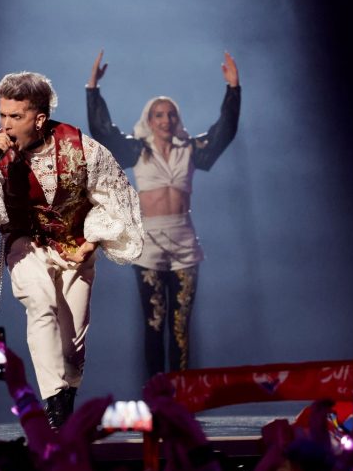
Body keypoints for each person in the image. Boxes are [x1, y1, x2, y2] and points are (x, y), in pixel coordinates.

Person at [0, 71, 143, 428]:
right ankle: (54, 406)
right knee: (40, 303)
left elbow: (114, 198)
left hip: (74, 247)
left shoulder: (83, 149)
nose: (6, 124)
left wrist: (90, 244)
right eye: (2, 114)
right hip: (26, 243)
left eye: (15, 116)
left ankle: (65, 401)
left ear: (38, 119)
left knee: (71, 347)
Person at [86, 51, 240, 379]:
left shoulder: (190, 150)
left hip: (184, 240)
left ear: (177, 119)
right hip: (150, 243)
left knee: (180, 326)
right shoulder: (137, 150)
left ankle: (182, 393)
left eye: (171, 115)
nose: (165, 120)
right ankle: (155, 393)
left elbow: (223, 133)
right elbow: (104, 132)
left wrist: (233, 89)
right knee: (154, 323)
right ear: (149, 120)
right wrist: (93, 89)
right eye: (159, 115)